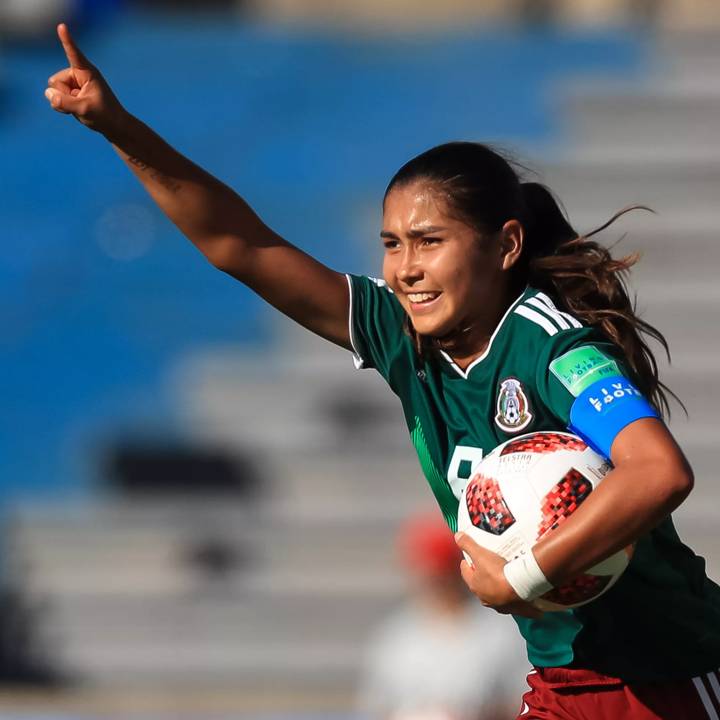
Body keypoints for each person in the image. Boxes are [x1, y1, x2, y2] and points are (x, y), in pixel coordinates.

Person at [45, 23, 720, 719]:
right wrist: (118, 127)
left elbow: (658, 472)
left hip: (672, 680)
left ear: (506, 245)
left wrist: (524, 573)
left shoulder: (552, 347)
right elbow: (237, 244)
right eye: (392, 244)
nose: (405, 268)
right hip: (562, 684)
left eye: (430, 241)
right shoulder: (403, 337)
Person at [358, 511, 529, 720]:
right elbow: (378, 707)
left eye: (440, 574)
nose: (432, 582)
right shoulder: (396, 636)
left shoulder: (497, 632)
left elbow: (523, 703)